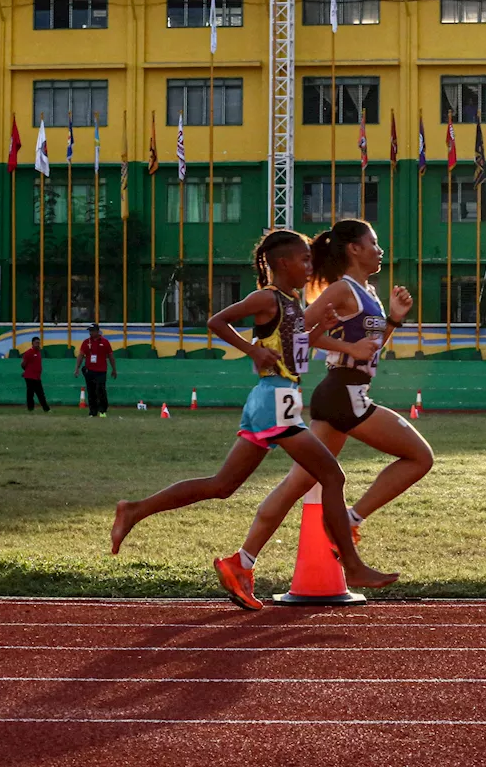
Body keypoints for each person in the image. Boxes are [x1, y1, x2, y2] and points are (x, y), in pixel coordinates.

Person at [110, 229, 398, 591]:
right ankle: (352, 567)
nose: (311, 266)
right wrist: (252, 350)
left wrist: (316, 333)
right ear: (282, 263)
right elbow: (218, 320)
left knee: (222, 485)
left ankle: (135, 509)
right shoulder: (267, 298)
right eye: (304, 260)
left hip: (275, 399)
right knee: (332, 476)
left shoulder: (292, 302)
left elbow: (292, 352)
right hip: (275, 401)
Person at [213, 219, 433, 610]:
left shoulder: (368, 292)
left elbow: (369, 347)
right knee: (419, 457)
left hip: (348, 391)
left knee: (297, 482)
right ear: (354, 249)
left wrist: (394, 320)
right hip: (343, 393)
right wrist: (341, 347)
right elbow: (298, 331)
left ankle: (240, 562)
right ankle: (350, 520)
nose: (380, 250)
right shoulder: (341, 289)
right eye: (374, 242)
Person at [75, 323, 117, 418]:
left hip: (101, 371)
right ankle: (92, 412)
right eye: (90, 331)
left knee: (101, 389)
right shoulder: (86, 342)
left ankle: (102, 410)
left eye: (92, 331)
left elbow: (110, 356)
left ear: (97, 331)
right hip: (89, 370)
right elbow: (81, 355)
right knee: (91, 391)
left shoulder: (105, 342)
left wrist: (114, 369)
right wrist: (77, 368)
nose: (91, 333)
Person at [21, 336, 50, 413]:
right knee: (32, 393)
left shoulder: (39, 352)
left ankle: (43, 409)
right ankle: (33, 408)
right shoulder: (28, 353)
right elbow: (23, 364)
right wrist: (27, 371)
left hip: (37, 377)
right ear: (32, 343)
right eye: (36, 343)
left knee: (39, 393)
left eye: (38, 343)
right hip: (30, 377)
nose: (38, 344)